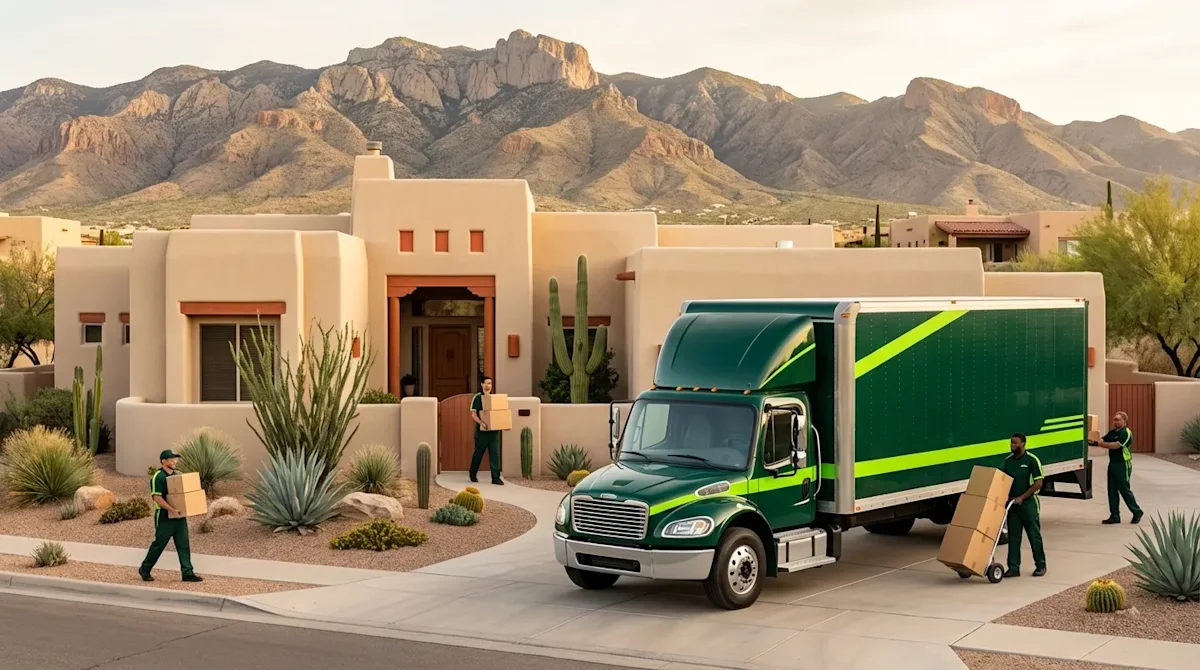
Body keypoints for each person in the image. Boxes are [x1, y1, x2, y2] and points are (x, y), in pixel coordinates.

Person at [138, 449, 202, 583]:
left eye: (175, 459)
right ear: (163, 461)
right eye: (171, 459)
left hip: (179, 516)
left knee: (183, 544)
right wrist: (171, 509)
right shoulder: (158, 476)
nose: (174, 462)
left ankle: (187, 573)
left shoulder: (177, 476)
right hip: (164, 517)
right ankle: (145, 568)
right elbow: (156, 497)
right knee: (159, 544)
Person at [1000, 433, 1046, 578]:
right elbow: (1001, 480)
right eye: (1011, 443)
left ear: (1023, 444)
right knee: (1014, 537)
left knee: (1034, 535)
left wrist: (1022, 497)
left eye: (1015, 443)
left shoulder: (1032, 460)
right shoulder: (1007, 462)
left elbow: (1038, 483)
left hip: (1028, 505)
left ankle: (1040, 565)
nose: (1013, 445)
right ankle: (1013, 567)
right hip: (1013, 505)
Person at [1090, 411, 1143, 525]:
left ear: (1124, 421)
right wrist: (1095, 440)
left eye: (1118, 419)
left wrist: (1102, 444)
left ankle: (1137, 511)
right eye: (1115, 419)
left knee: (1124, 489)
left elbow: (1117, 445)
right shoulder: (1112, 432)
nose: (1116, 421)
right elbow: (1103, 439)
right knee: (1112, 490)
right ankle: (1114, 516)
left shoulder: (1126, 433)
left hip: (1123, 464)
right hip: (1113, 464)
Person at [469, 376, 504, 485]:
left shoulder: (494, 398)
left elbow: (499, 413)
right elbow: (473, 414)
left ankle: (495, 478)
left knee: (495, 454)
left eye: (490, 383)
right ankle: (473, 473)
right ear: (482, 384)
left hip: (493, 432)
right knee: (478, 453)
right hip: (482, 432)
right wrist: (481, 423)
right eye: (486, 383)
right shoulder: (477, 398)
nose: (488, 385)